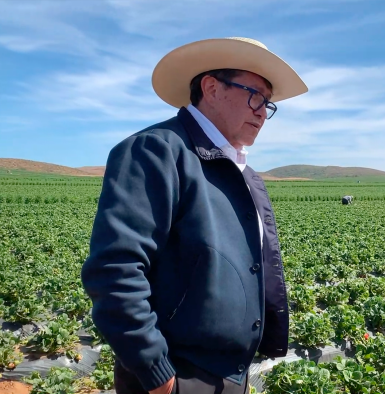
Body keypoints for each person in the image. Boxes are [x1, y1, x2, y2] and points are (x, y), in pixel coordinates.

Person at [81, 37, 308, 394]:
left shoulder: (244, 173)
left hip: (231, 371)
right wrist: (160, 377)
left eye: (268, 103)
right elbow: (115, 270)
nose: (263, 111)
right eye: (256, 96)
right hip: (179, 373)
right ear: (212, 88)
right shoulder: (156, 150)